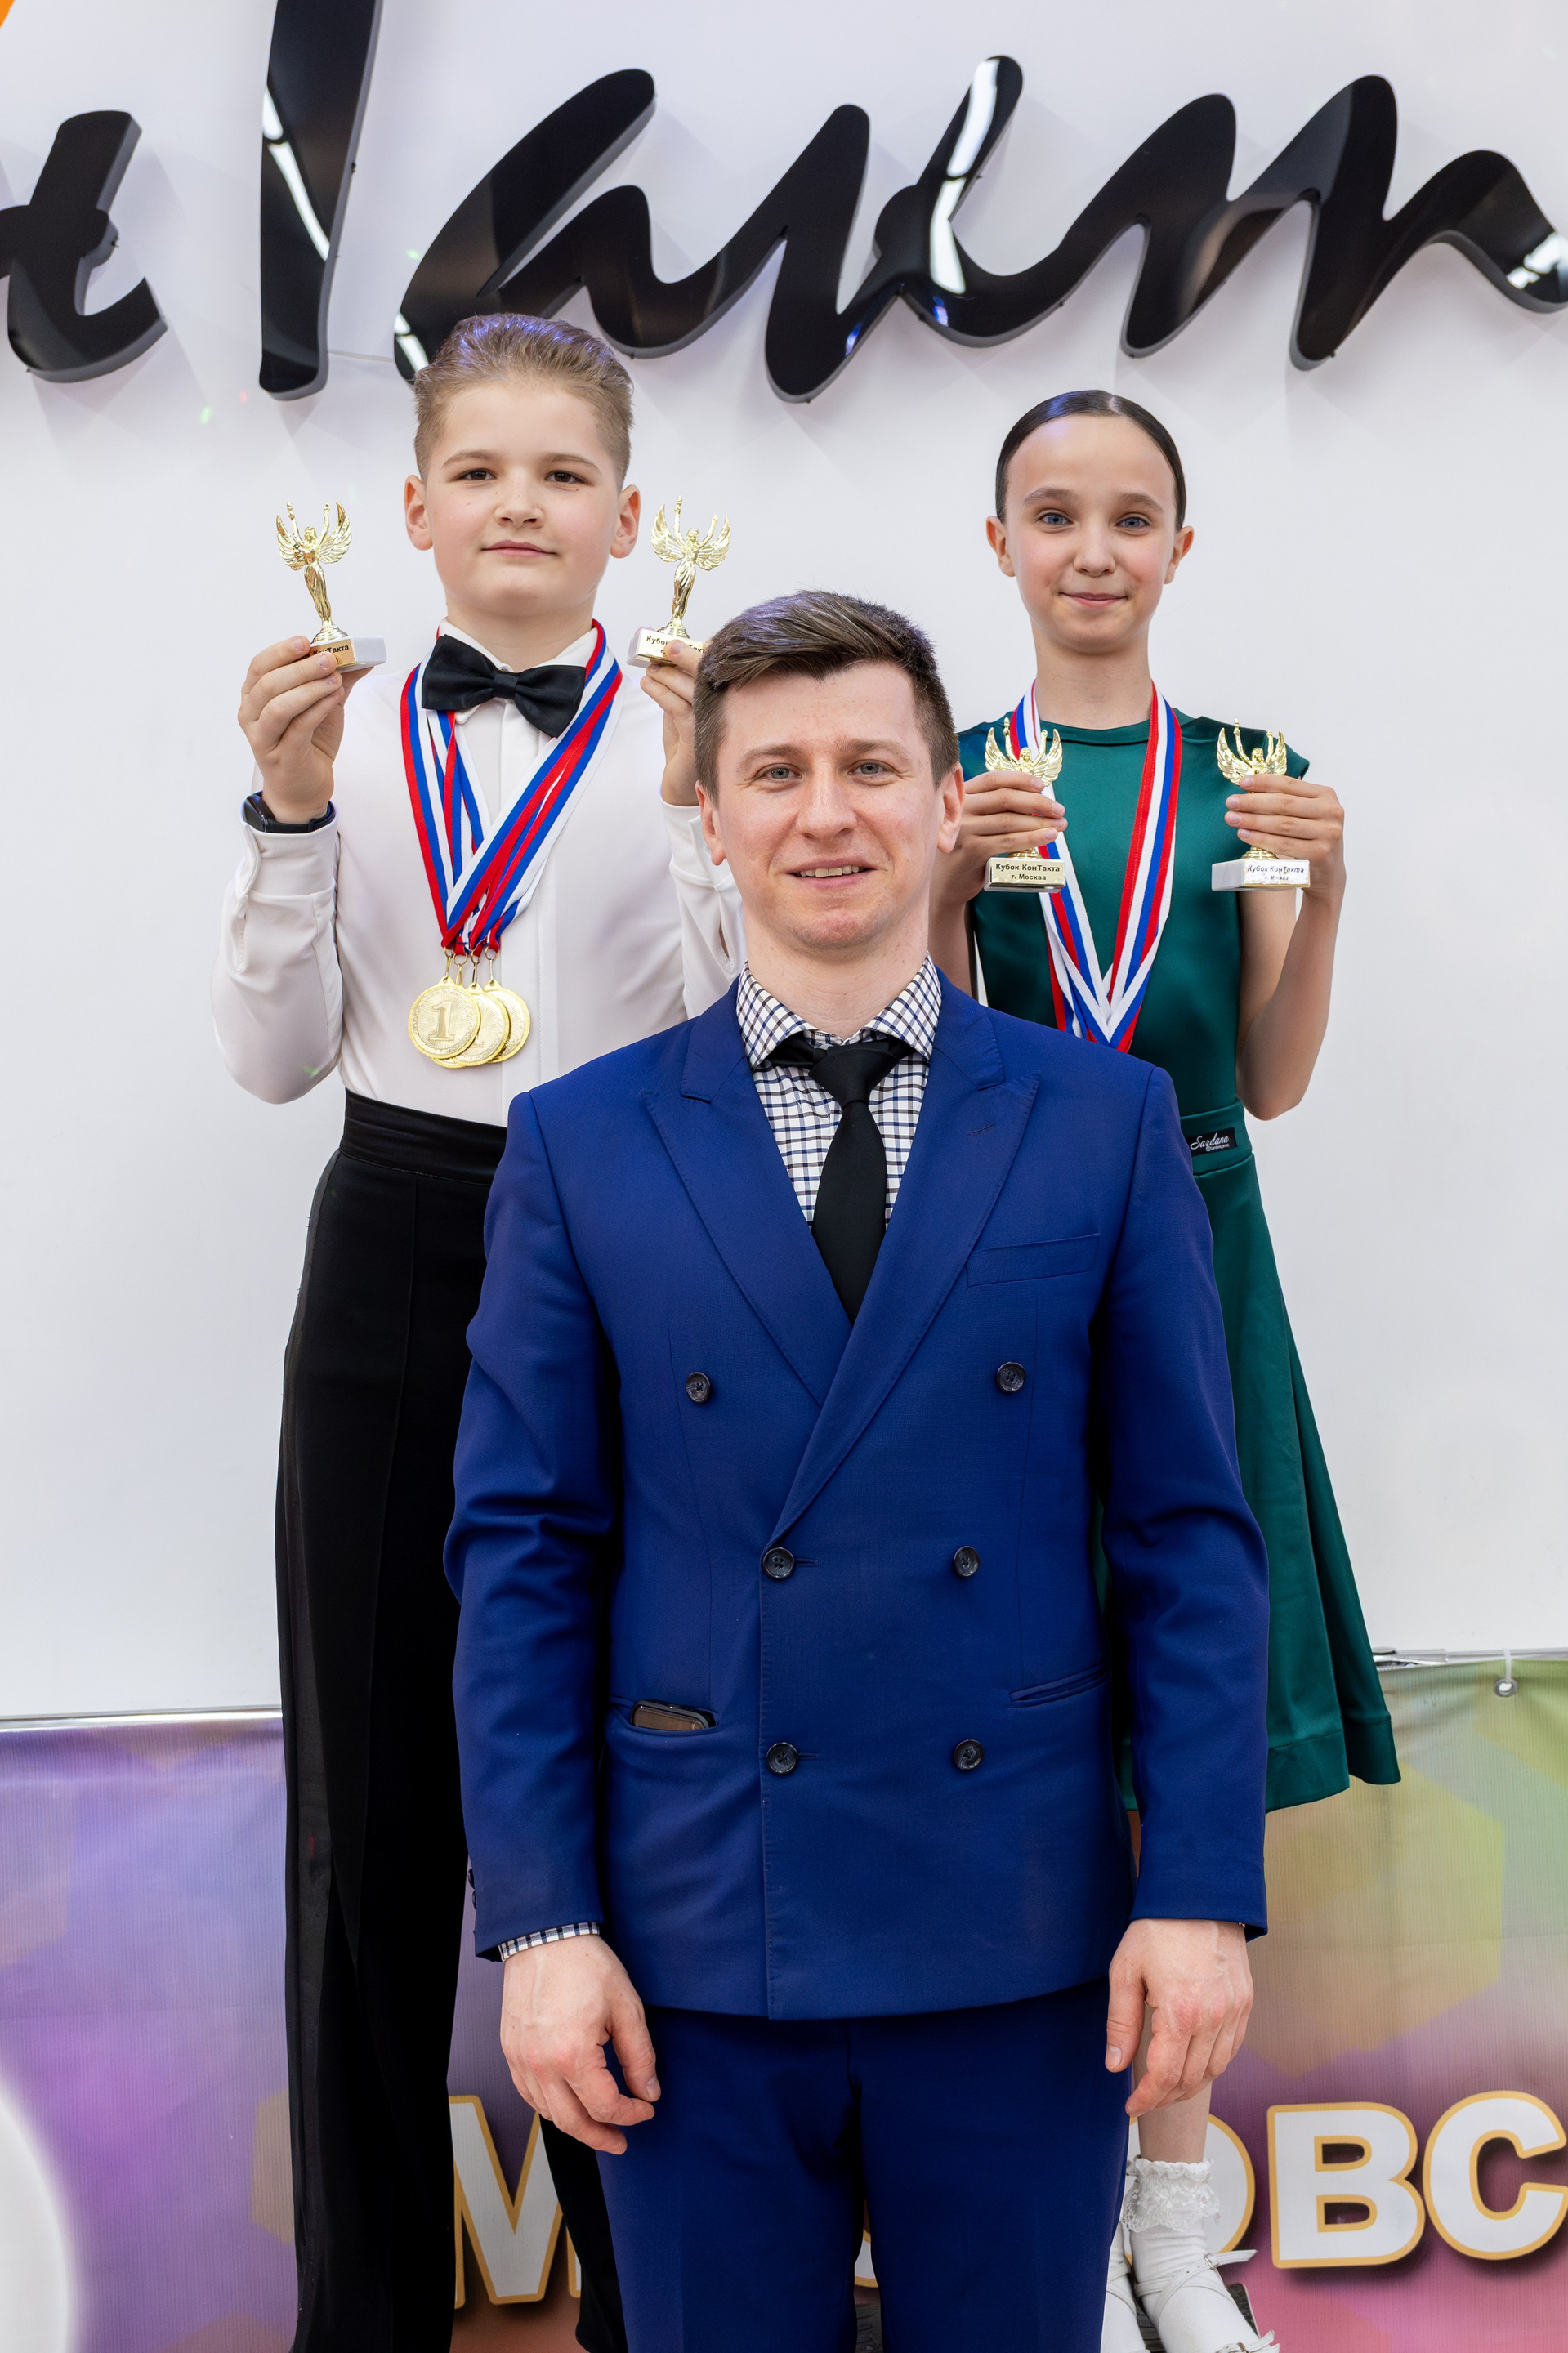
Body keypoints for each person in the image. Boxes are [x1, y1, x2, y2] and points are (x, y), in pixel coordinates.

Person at [445, 589, 1271, 2353]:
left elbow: (1190, 1539)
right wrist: (541, 1923)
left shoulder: (1104, 1120)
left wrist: (1198, 1888)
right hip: (692, 1944)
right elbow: (523, 1555)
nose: (827, 813)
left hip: (1022, 1937)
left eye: (872, 767)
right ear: (711, 810)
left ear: (947, 800)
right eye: (776, 773)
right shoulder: (579, 1142)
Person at [212, 311, 737, 2353]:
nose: (523, 505)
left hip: (626, 1248)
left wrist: (696, 809)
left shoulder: (689, 733)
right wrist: (282, 813)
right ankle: (358, 2318)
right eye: (483, 473)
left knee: (628, 1786)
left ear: (628, 516)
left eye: (563, 475)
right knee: (365, 1812)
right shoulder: (343, 735)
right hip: (392, 1245)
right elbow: (270, 1060)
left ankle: (657, 2310)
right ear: (414, 508)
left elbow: (729, 1043)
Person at [929, 388, 1400, 2353]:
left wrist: (1332, 886)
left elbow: (1270, 1079)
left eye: (1132, 515)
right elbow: (932, 1067)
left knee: (1187, 1726)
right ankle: (1067, 2236)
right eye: (1055, 514)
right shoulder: (952, 776)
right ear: (1001, 545)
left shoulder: (1250, 772)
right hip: (1014, 1270)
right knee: (1035, 1728)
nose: (1094, 548)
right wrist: (943, 883)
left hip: (1202, 1251)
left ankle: (1177, 2233)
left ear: (1182, 547)